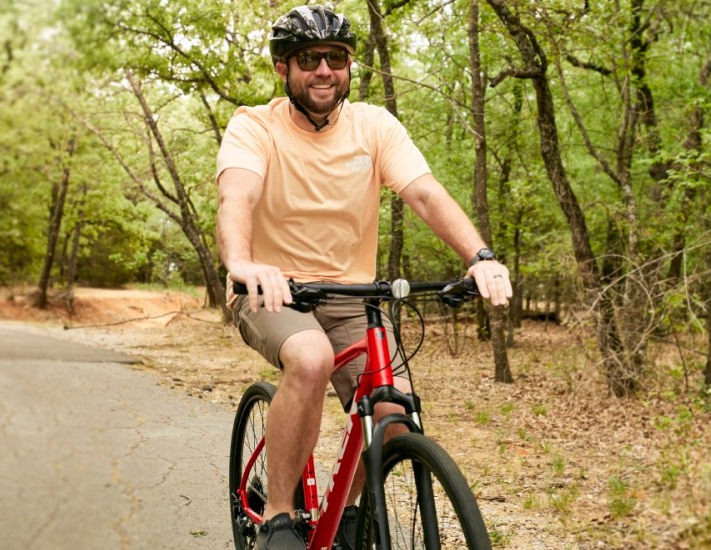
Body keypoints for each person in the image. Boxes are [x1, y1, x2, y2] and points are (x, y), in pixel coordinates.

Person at [215, 5, 512, 550]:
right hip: (272, 289)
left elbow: (424, 193)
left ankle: (346, 511)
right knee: (309, 358)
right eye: (309, 59)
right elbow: (238, 194)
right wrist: (242, 263)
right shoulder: (253, 126)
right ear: (284, 69)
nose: (324, 70)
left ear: (350, 66)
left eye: (336, 58)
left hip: (353, 295)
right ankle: (280, 517)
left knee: (395, 410)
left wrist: (480, 256)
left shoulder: (374, 126)